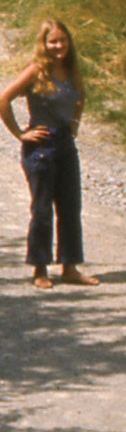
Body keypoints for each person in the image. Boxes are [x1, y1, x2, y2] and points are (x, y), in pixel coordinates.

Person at [0, 18, 97, 289]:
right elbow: (3, 98)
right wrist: (20, 133)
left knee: (70, 207)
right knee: (42, 209)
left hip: (66, 142)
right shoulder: (36, 70)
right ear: (43, 44)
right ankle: (40, 269)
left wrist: (75, 126)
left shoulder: (72, 70)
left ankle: (69, 266)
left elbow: (81, 97)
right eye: (52, 41)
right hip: (40, 146)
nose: (58, 46)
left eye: (62, 40)